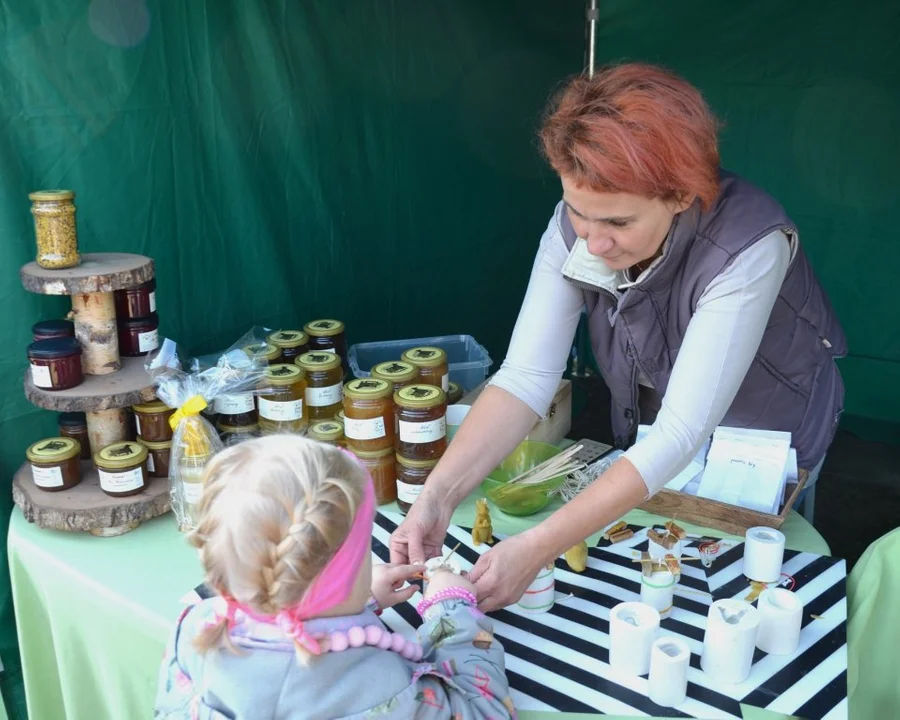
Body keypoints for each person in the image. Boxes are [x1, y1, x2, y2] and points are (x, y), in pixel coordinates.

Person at [390, 62, 846, 611]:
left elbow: (681, 430)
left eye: (620, 224)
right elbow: (527, 376)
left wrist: (537, 546)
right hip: (663, 438)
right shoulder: (576, 224)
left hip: (764, 435)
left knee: (753, 591)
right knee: (656, 577)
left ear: (681, 195)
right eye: (580, 213)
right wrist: (437, 496)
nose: (595, 242)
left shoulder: (749, 246)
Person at [154, 436, 516, 719]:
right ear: (341, 575)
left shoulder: (193, 628)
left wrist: (354, 604)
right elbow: (486, 711)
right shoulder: (381, 683)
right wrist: (454, 614)